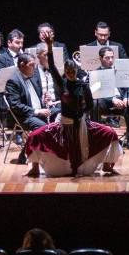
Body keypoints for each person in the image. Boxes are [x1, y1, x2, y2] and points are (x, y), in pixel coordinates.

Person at [23, 30, 122, 178]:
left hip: (81, 122)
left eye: (72, 71)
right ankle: (35, 168)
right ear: (65, 71)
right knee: (35, 136)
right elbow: (52, 66)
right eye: (67, 71)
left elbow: (90, 105)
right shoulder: (61, 84)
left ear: (76, 71)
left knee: (110, 133)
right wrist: (49, 47)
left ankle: (107, 165)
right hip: (63, 123)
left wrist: (80, 112)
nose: (70, 73)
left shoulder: (83, 86)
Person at [93, 46, 129, 149]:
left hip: (121, 101)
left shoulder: (119, 71)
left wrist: (127, 98)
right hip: (105, 103)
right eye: (107, 58)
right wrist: (112, 99)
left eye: (112, 57)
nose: (110, 60)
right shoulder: (95, 73)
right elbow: (96, 92)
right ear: (100, 58)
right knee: (95, 104)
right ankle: (97, 138)